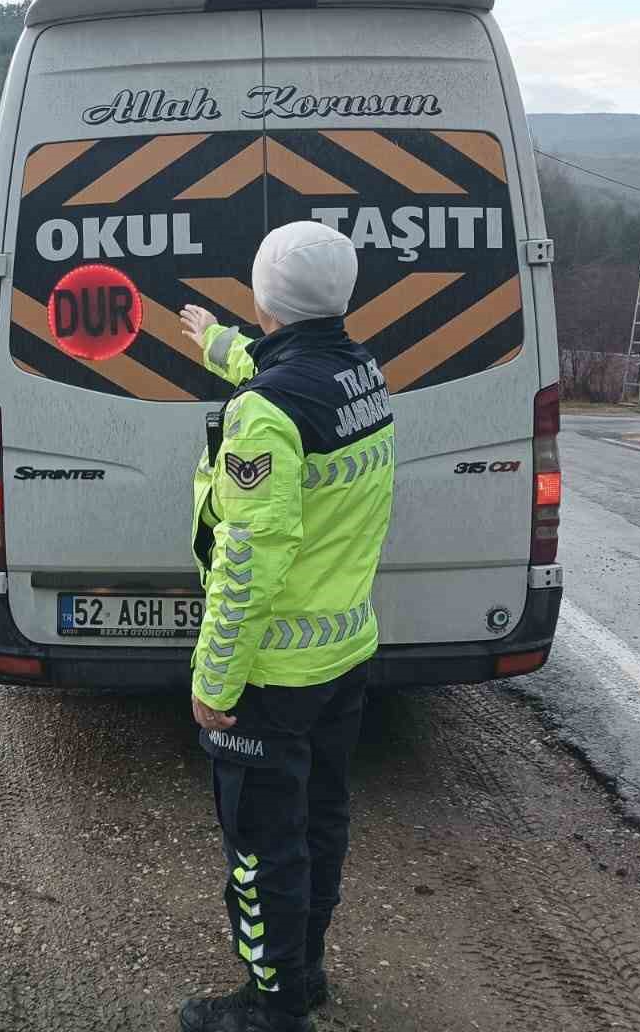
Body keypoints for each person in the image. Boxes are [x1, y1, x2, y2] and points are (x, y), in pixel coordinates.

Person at [175, 221, 396, 1032]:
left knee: (262, 844)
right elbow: (279, 368)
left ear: (266, 299)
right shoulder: (358, 372)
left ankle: (273, 1004)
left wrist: (212, 680)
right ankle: (306, 973)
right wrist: (218, 342)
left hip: (271, 674)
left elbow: (246, 566)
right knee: (321, 821)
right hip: (343, 655)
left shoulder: (263, 416)